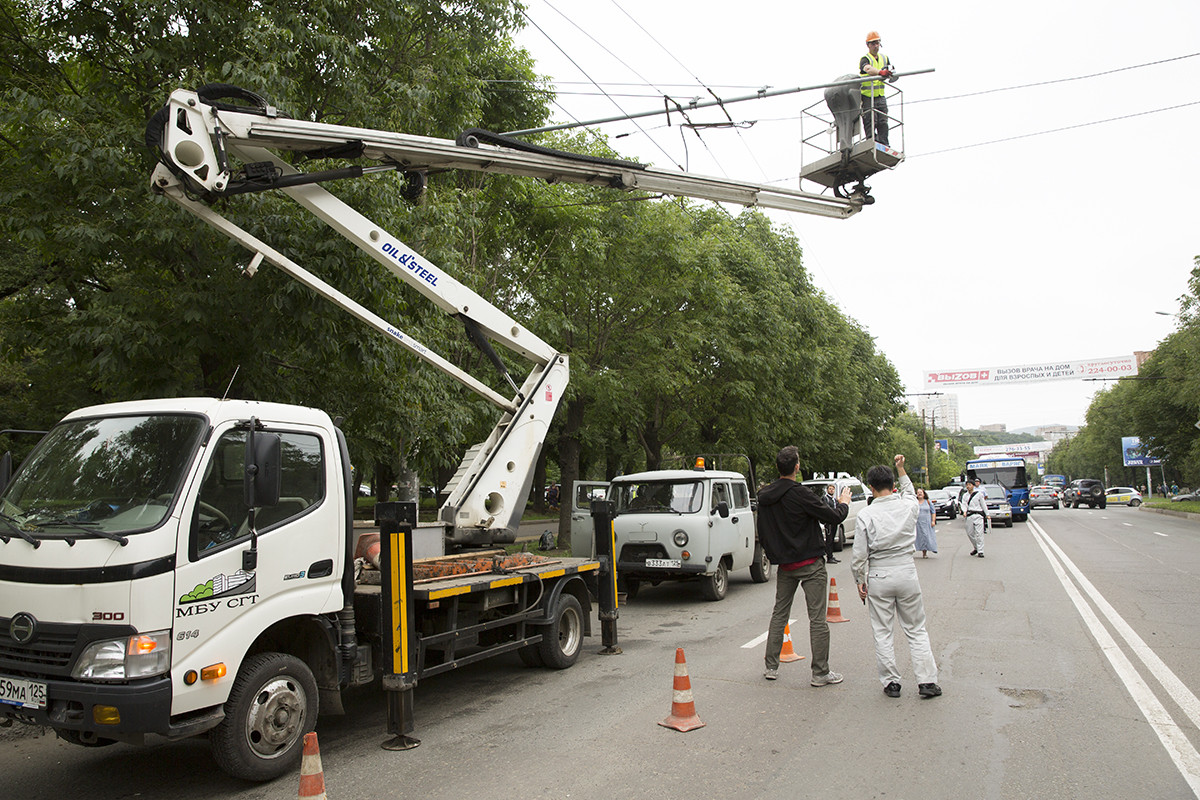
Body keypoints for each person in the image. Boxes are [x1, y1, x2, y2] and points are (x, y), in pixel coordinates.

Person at [757, 445, 850, 685]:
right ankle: (820, 673)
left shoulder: (765, 496)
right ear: (797, 467)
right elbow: (833, 517)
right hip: (810, 563)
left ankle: (771, 667)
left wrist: (774, 554)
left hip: (786, 566)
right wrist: (843, 503)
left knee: (779, 614)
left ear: (778, 468)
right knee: (817, 619)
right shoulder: (801, 494)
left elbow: (763, 531)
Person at [851, 455, 942, 699]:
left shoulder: (866, 515)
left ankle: (891, 682)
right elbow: (911, 492)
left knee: (883, 631)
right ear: (893, 486)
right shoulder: (907, 506)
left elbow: (859, 556)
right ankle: (927, 681)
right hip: (906, 571)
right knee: (916, 629)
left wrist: (860, 581)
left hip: (879, 574)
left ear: (871, 487)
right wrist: (901, 468)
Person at [859, 31, 895, 146]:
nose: (875, 46)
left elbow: (891, 71)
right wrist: (880, 72)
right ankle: (871, 142)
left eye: (877, 43)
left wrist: (890, 73)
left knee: (883, 120)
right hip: (868, 96)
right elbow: (868, 69)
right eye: (873, 43)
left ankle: (884, 143)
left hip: (880, 95)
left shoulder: (884, 58)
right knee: (870, 119)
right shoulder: (865, 59)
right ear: (868, 45)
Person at [963, 478, 988, 558]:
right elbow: (964, 504)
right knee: (970, 533)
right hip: (969, 515)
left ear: (973, 486)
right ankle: (976, 547)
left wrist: (987, 514)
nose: (968, 486)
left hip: (978, 515)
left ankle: (981, 551)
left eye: (969, 485)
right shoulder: (965, 495)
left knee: (979, 533)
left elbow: (983, 504)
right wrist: (964, 511)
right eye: (967, 485)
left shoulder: (979, 494)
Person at [914, 487, 938, 558]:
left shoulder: (927, 502)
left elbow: (933, 512)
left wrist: (933, 521)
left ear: (924, 494)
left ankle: (927, 551)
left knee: (927, 537)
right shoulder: (915, 502)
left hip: (927, 522)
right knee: (919, 537)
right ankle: (917, 550)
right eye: (918, 493)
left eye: (921, 492)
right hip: (917, 523)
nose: (919, 494)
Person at [823, 483, 841, 564]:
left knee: (832, 538)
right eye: (830, 489)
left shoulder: (834, 500)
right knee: (829, 539)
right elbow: (827, 509)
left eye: (833, 489)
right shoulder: (825, 499)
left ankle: (831, 555)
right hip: (829, 522)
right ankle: (829, 557)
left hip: (834, 522)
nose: (831, 490)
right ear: (827, 490)